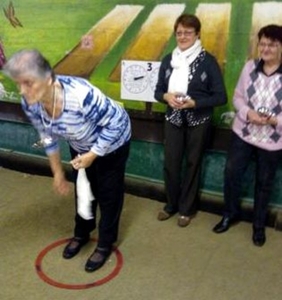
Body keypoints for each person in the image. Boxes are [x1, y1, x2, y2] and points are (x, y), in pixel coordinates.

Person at [3, 49, 131, 271]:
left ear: (48, 79)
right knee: (83, 190)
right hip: (80, 145)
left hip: (112, 144)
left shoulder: (81, 96)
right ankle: (82, 233)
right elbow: (47, 135)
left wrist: (93, 154)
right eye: (18, 84)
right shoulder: (31, 102)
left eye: (28, 83)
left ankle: (104, 244)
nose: (22, 91)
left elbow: (116, 124)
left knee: (108, 194)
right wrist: (58, 173)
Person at [154, 14, 227, 227]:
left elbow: (221, 97)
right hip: (173, 118)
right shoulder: (169, 60)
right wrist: (166, 97)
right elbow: (158, 91)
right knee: (171, 163)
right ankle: (171, 205)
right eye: (179, 33)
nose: (183, 36)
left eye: (188, 32)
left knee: (193, 164)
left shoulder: (208, 61)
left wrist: (194, 103)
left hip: (199, 120)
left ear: (197, 34)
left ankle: (186, 210)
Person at [213, 24, 282, 246]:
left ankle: (258, 226)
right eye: (262, 43)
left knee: (264, 183)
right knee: (232, 174)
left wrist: (274, 121)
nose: (266, 48)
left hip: (272, 141)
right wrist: (248, 113)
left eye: (272, 44)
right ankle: (230, 214)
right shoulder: (249, 67)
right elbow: (237, 98)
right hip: (243, 133)